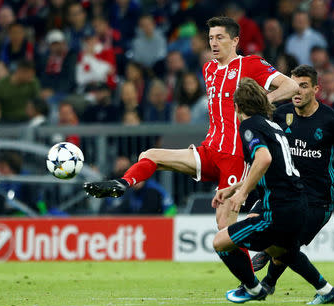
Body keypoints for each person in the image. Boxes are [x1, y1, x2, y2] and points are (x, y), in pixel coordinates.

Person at [84, 16, 299, 233]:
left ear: (234, 41)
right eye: (211, 38)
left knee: (224, 226)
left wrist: (264, 101)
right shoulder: (208, 70)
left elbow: (291, 86)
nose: (214, 43)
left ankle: (266, 240)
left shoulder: (250, 64)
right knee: (149, 155)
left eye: (220, 38)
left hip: (235, 155)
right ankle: (122, 184)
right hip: (209, 150)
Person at [211, 77, 334, 305]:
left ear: (237, 107)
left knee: (220, 242)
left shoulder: (249, 126)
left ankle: (252, 288)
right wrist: (234, 188)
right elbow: (275, 168)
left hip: (278, 211)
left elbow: (264, 158)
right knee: (282, 251)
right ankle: (326, 290)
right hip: (299, 205)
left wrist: (242, 195)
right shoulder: (272, 126)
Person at [249, 65, 334, 303]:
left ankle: (266, 281)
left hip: (317, 199)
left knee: (285, 245)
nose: (296, 91)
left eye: (303, 85)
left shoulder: (333, 121)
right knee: (256, 227)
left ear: (316, 89)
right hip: (284, 193)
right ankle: (266, 280)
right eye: (293, 84)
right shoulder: (279, 114)